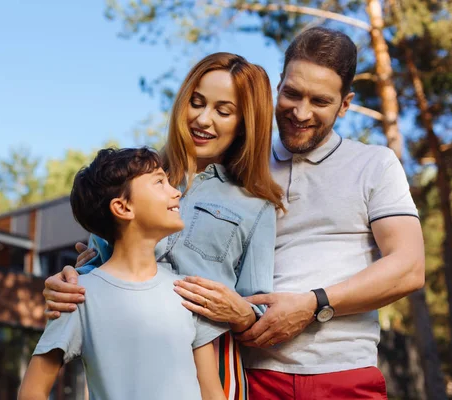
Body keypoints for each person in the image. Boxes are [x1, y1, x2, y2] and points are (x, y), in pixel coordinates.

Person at [44, 27, 426, 399]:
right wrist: (75, 278)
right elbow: (109, 255)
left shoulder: (370, 165)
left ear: (345, 103)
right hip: (250, 371)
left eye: (321, 101)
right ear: (277, 88)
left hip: (335, 369)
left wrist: (311, 304)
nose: (301, 111)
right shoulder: (230, 167)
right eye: (292, 93)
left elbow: (408, 266)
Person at [43, 52, 285, 400]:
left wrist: (243, 312)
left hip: (212, 363)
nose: (203, 119)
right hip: (130, 352)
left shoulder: (256, 205)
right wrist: (65, 281)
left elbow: (258, 308)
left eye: (223, 110)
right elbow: (99, 264)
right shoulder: (132, 177)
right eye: (197, 102)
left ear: (245, 122)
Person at [18, 147, 228, 400]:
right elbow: (32, 391)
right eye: (160, 182)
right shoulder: (78, 297)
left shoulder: (187, 291)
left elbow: (212, 392)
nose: (176, 191)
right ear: (123, 207)